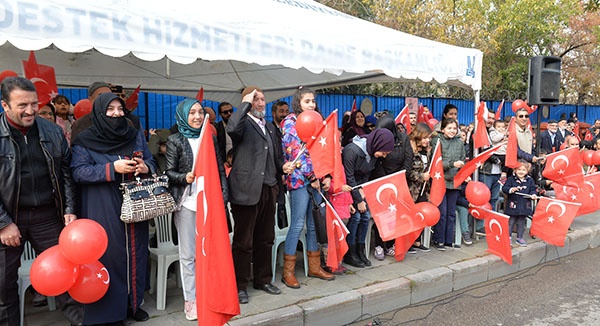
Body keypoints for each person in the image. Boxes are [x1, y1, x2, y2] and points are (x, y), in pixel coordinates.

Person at [0, 76, 83, 326]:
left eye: (34, 104)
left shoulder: (52, 131)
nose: (31, 110)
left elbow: (66, 172)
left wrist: (69, 208)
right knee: (4, 286)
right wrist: (3, 223)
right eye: (22, 105)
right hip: (9, 217)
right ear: (5, 105)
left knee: (68, 278)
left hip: (47, 216)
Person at [71, 92, 155, 325]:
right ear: (99, 112)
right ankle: (110, 312)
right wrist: (111, 168)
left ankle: (133, 304)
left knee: (137, 253)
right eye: (111, 110)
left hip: (134, 204)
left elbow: (151, 160)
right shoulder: (85, 139)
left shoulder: (134, 135)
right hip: (103, 206)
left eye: (120, 109)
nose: (117, 114)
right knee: (111, 256)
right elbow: (78, 172)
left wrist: (144, 166)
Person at [226, 87, 294, 304]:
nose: (261, 103)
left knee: (266, 238)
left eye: (263, 99)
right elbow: (231, 127)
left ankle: (263, 280)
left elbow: (276, 156)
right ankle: (240, 285)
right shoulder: (242, 123)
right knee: (243, 241)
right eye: (256, 100)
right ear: (247, 101)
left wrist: (284, 166)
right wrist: (245, 102)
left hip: (268, 188)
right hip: (245, 190)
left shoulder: (271, 128)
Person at [165, 98, 228, 321]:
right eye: (192, 113)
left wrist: (223, 199)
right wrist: (185, 177)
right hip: (186, 205)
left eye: (200, 112)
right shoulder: (175, 140)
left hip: (209, 205)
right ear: (183, 115)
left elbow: (220, 171)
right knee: (189, 255)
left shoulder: (209, 137)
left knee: (210, 252)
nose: (197, 117)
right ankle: (191, 300)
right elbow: (168, 173)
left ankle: (208, 294)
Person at [280, 87, 335, 289]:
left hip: (316, 180)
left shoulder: (317, 120)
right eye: (307, 101)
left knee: (314, 224)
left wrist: (325, 175)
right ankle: (288, 272)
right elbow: (294, 152)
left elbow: (321, 150)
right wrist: (313, 176)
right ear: (298, 103)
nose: (311, 104)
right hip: (298, 180)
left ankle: (314, 266)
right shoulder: (290, 122)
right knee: (297, 225)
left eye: (313, 101)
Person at [342, 128, 395, 267]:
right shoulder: (352, 151)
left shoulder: (372, 153)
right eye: (383, 152)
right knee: (356, 217)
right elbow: (349, 177)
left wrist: (363, 190)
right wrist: (358, 200)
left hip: (360, 188)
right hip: (347, 189)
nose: (383, 156)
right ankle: (350, 251)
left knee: (366, 216)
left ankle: (360, 250)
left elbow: (367, 173)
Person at [371, 115, 414, 258]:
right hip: (382, 181)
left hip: (399, 180)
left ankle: (391, 244)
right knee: (382, 215)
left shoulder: (403, 139)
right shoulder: (378, 139)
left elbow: (409, 159)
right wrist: (385, 180)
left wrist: (400, 177)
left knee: (396, 215)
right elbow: (376, 161)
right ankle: (379, 245)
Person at [432, 118, 465, 250]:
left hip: (455, 182)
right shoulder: (437, 141)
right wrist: (451, 164)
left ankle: (448, 240)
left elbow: (463, 159)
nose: (452, 131)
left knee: (451, 212)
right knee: (442, 212)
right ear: (443, 129)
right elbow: (435, 162)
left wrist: (462, 169)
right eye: (449, 128)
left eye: (454, 128)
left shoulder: (460, 143)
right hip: (440, 182)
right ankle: (438, 239)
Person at [407, 122, 434, 252]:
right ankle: (408, 242)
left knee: (422, 215)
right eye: (424, 138)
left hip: (424, 189)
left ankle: (417, 241)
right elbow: (407, 171)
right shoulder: (410, 150)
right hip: (412, 190)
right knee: (411, 216)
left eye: (428, 138)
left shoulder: (427, 151)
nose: (427, 140)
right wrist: (420, 176)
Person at [502, 160, 537, 247]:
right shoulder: (511, 179)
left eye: (523, 170)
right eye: (519, 169)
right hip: (513, 204)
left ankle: (519, 237)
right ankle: (508, 237)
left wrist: (533, 194)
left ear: (527, 171)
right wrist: (511, 189)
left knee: (521, 221)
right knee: (511, 221)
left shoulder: (530, 180)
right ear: (514, 170)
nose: (521, 172)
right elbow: (504, 188)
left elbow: (533, 189)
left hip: (525, 205)